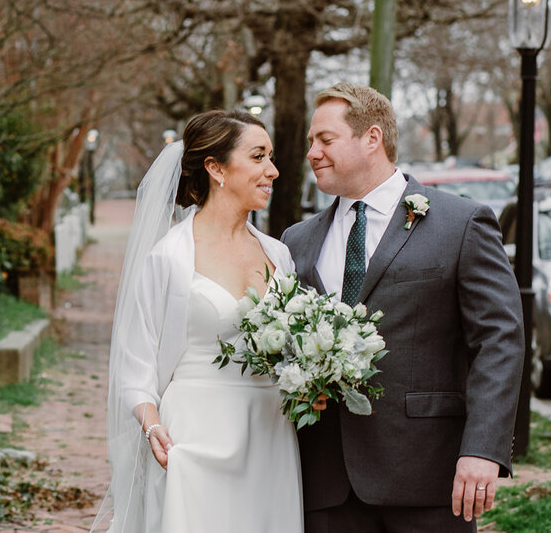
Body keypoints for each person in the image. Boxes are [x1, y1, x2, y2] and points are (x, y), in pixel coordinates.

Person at [281, 83, 524, 533]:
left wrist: (484, 449)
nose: (312, 152)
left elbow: (499, 341)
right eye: (311, 142)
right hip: (326, 481)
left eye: (325, 140)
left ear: (372, 138)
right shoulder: (297, 241)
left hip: (429, 473)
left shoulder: (460, 224)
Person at [91, 110, 303, 533]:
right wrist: (152, 426)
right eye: (259, 157)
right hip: (193, 436)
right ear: (216, 168)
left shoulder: (278, 254)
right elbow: (137, 364)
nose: (273, 171)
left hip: (271, 434)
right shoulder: (169, 257)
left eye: (271, 157)